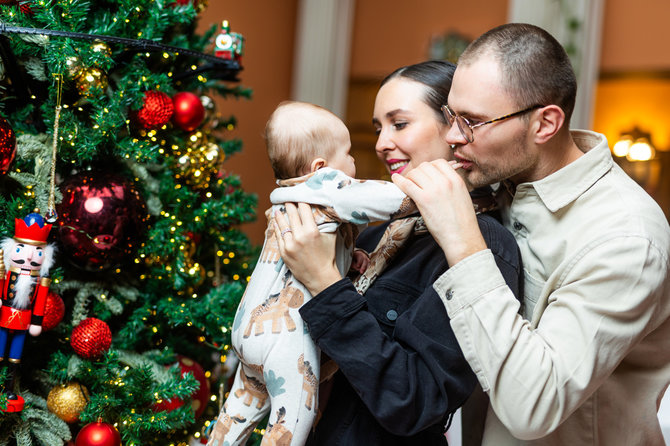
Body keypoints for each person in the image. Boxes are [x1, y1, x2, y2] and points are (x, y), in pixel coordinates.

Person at [390, 23, 670, 446]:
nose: (452, 136)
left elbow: (532, 407)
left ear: (545, 124)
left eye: (473, 121)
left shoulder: (626, 238)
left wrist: (463, 241)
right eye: (451, 115)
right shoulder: (499, 182)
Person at [272, 61, 522, 445]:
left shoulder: (481, 245)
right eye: (377, 128)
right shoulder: (371, 237)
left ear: (454, 128)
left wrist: (325, 282)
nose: (380, 143)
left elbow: (415, 403)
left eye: (399, 124)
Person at [209, 101, 418, 446]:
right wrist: (432, 189)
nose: (353, 162)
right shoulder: (325, 188)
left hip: (247, 330)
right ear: (320, 166)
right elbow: (389, 200)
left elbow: (304, 255)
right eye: (348, 153)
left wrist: (350, 256)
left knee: (236, 414)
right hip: (283, 336)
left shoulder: (285, 200)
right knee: (292, 422)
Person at [0, 211, 55, 413]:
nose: (30, 256)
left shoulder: (40, 280)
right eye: (22, 248)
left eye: (38, 251)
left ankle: (9, 389)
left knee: (15, 358)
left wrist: (37, 321)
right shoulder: (6, 270)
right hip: (4, 315)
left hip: (24, 320)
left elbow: (39, 300)